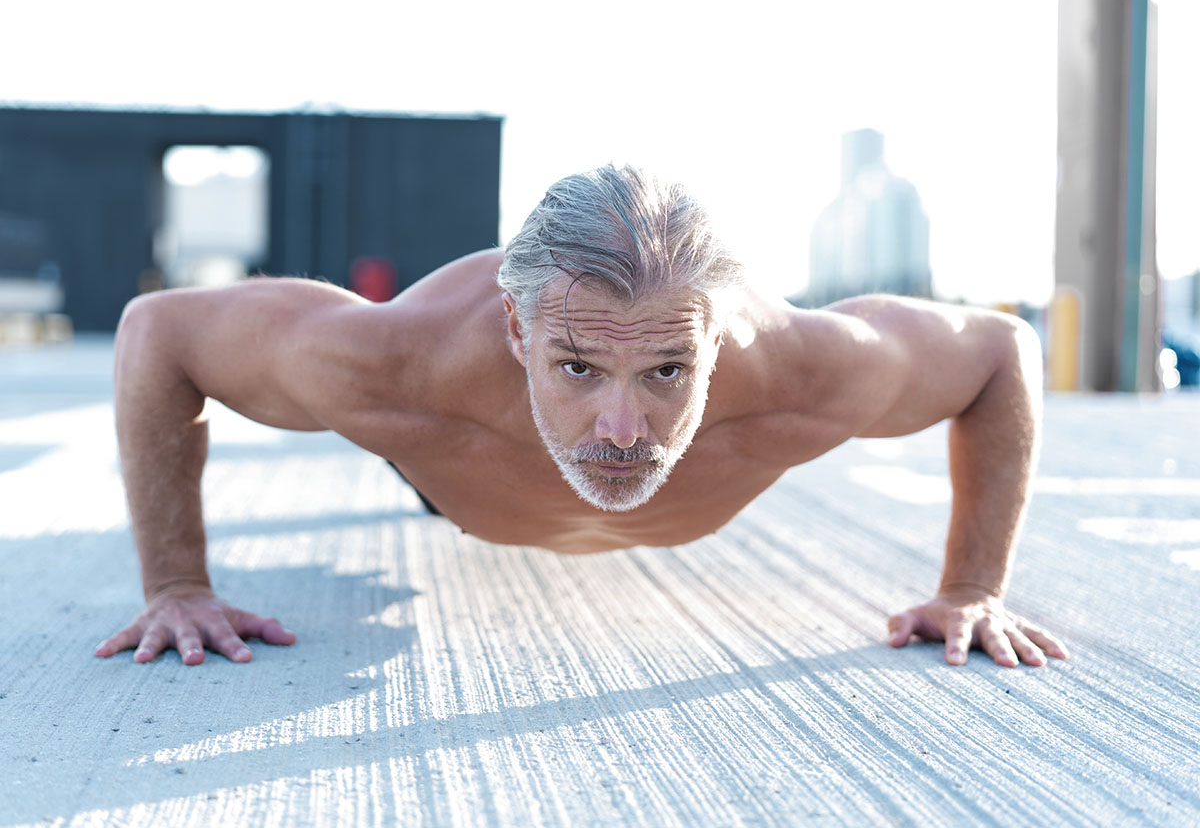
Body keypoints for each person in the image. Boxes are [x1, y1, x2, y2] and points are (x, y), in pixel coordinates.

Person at [95, 164, 1068, 670]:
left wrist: (971, 587)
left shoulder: (813, 372)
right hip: (453, 459)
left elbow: (998, 353)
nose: (620, 427)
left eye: (665, 372)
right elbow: (158, 334)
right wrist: (176, 583)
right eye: (578, 365)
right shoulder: (391, 361)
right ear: (516, 329)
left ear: (721, 333)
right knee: (423, 433)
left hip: (514, 431)